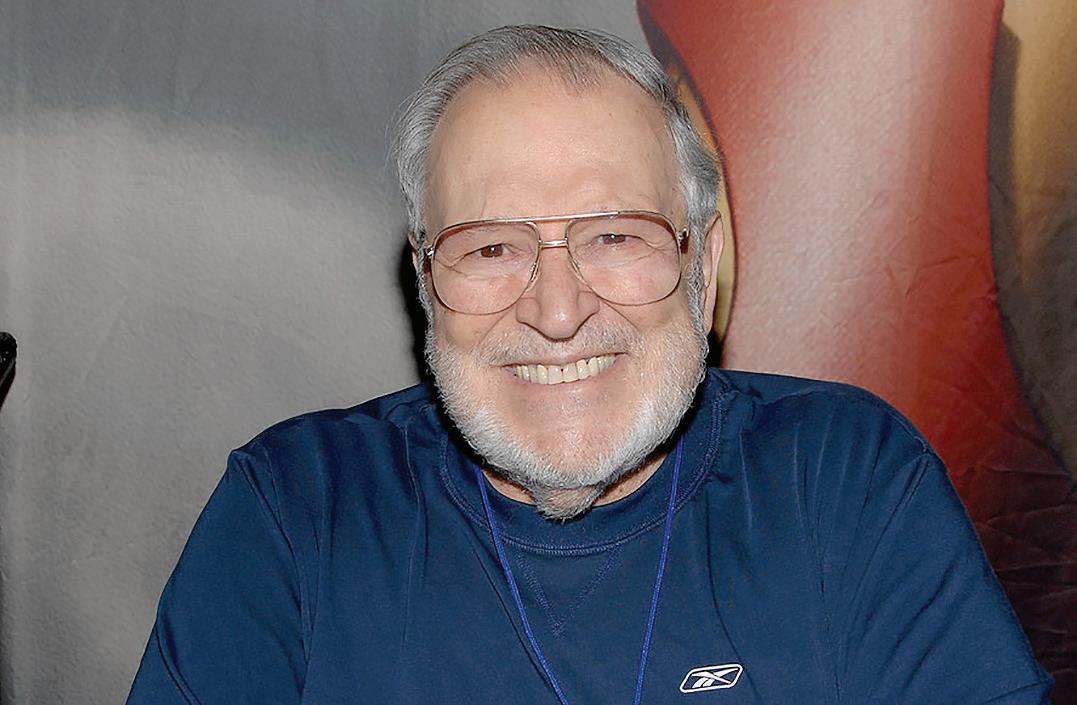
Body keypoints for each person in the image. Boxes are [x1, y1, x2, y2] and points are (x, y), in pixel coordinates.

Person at [126, 25, 1051, 704]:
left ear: (704, 264)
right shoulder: (297, 511)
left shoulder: (843, 478)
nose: (557, 310)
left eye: (615, 236)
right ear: (425, 280)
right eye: (491, 248)